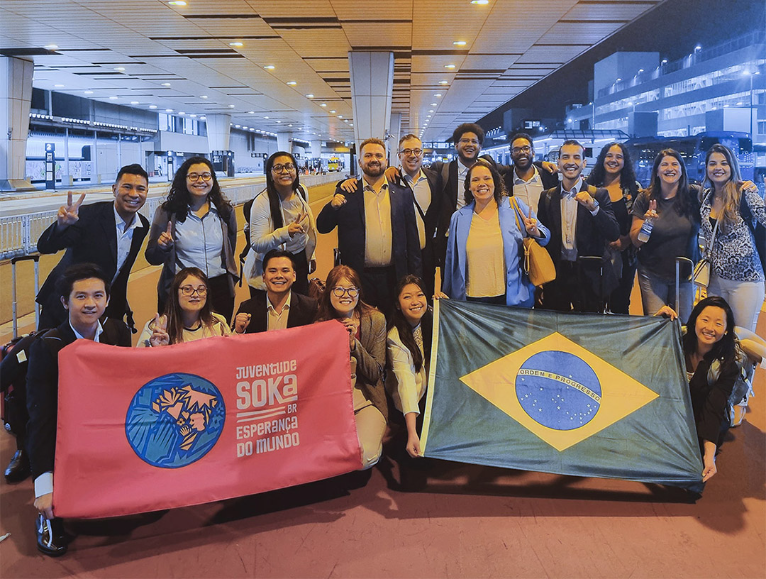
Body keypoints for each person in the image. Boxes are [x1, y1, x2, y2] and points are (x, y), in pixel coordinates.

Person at [26, 264, 132, 556]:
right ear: (65, 302)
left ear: (108, 300)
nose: (91, 304)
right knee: (53, 499)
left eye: (98, 295)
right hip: (64, 432)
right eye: (81, 296)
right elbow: (41, 419)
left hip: (103, 426)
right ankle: (47, 516)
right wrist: (43, 485)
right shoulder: (47, 347)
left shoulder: (117, 331)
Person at [36, 164, 150, 331]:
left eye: (140, 189)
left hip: (102, 307)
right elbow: (45, 246)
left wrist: (117, 309)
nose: (134, 194)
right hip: (65, 304)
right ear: (114, 189)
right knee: (55, 354)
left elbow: (119, 271)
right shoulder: (88, 215)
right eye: (127, 187)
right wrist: (61, 227)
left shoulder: (142, 226)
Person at [316, 138, 422, 315]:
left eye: (379, 155)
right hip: (358, 276)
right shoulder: (347, 191)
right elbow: (323, 226)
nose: (374, 159)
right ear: (360, 161)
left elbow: (412, 241)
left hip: (393, 276)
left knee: (393, 323)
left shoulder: (402, 194)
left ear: (386, 161)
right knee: (361, 325)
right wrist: (332, 206)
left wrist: (416, 279)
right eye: (368, 155)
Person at [657, 296, 743, 483]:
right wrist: (657, 323)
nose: (710, 328)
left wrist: (709, 455)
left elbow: (713, 410)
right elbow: (646, 353)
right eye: (705, 319)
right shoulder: (677, 340)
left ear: (726, 330)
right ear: (694, 319)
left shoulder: (727, 365)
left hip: (702, 414)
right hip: (672, 408)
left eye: (718, 323)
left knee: (693, 470)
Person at [442, 159, 550, 306]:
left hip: (509, 299)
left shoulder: (514, 206)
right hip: (471, 300)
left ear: (495, 182)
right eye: (475, 180)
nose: (481, 183)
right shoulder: (458, 217)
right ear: (469, 186)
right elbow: (451, 260)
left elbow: (546, 236)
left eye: (487, 178)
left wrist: (535, 231)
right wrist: (447, 297)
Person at [145, 156, 238, 323]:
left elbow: (230, 247)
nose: (200, 181)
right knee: (180, 342)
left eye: (206, 176)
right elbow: (152, 256)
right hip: (182, 289)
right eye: (194, 176)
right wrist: (163, 247)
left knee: (217, 341)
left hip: (219, 289)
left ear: (213, 179)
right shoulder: (167, 212)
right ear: (184, 180)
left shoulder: (225, 212)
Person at [314, 265, 387, 470]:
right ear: (329, 292)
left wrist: (355, 345)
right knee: (324, 454)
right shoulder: (319, 324)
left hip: (367, 399)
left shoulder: (375, 320)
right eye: (338, 289)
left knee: (364, 457)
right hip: (333, 402)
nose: (345, 295)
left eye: (351, 289)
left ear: (358, 292)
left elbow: (376, 374)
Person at [537, 140, 620, 312]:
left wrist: (594, 207)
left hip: (589, 277)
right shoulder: (547, 197)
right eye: (565, 157)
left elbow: (613, 233)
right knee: (557, 330)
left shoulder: (599, 195)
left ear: (583, 163)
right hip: (557, 276)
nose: (570, 162)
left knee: (588, 331)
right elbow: (544, 239)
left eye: (576, 157)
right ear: (558, 163)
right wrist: (536, 232)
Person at [630, 149, 701, 323]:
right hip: (653, 274)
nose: (670, 168)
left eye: (675, 164)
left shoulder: (694, 195)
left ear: (682, 170)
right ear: (657, 171)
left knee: (683, 326)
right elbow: (636, 241)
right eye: (665, 164)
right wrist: (647, 224)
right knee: (656, 325)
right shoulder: (645, 198)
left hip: (685, 276)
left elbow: (719, 197)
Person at [699, 143, 765, 332]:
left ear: (732, 166)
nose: (718, 168)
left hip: (746, 281)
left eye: (724, 163)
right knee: (716, 332)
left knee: (742, 337)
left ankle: (749, 364)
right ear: (706, 168)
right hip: (716, 280)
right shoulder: (706, 196)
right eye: (712, 164)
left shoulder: (744, 193)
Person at [243, 151, 317, 297]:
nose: (285, 171)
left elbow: (306, 229)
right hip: (271, 266)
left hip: (298, 261)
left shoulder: (301, 192)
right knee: (272, 313)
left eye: (289, 166)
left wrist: (311, 255)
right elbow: (257, 243)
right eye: (278, 168)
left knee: (298, 309)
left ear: (296, 170)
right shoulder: (261, 202)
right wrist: (285, 233)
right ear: (270, 174)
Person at [587, 142, 640, 314]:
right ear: (602, 159)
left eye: (619, 157)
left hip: (624, 257)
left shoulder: (634, 189)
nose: (613, 160)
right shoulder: (590, 187)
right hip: (595, 256)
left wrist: (625, 241)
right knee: (593, 302)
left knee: (620, 303)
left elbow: (637, 220)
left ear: (625, 162)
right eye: (609, 156)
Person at [386, 275, 433, 459]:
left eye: (420, 295)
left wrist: (447, 308)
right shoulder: (394, 337)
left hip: (429, 392)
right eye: (407, 297)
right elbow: (406, 384)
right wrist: (412, 431)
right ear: (397, 304)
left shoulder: (430, 318)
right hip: (407, 402)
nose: (415, 302)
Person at [137, 267, 231, 347]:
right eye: (187, 289)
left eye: (201, 289)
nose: (195, 294)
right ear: (175, 293)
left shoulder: (217, 323)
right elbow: (140, 362)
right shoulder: (156, 327)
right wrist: (158, 350)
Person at [234, 249, 318, 334]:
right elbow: (234, 344)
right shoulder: (248, 308)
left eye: (285, 271)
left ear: (294, 276)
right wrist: (239, 331)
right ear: (263, 277)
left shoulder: (309, 307)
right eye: (273, 271)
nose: (279, 275)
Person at [505, 132, 559, 210]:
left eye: (526, 148)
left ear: (533, 152)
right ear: (511, 155)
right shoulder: (505, 181)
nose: (522, 152)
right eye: (516, 149)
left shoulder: (548, 176)